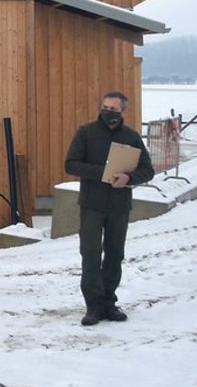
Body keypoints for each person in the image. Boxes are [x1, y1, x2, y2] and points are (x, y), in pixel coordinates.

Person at [64, 90, 156, 327]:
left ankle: (109, 303)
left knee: (115, 255)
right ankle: (93, 306)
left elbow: (148, 170)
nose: (108, 112)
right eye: (105, 107)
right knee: (91, 255)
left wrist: (129, 178)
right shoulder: (86, 132)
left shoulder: (131, 137)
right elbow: (71, 164)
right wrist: (103, 173)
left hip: (119, 205)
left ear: (123, 111)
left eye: (113, 109)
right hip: (91, 204)